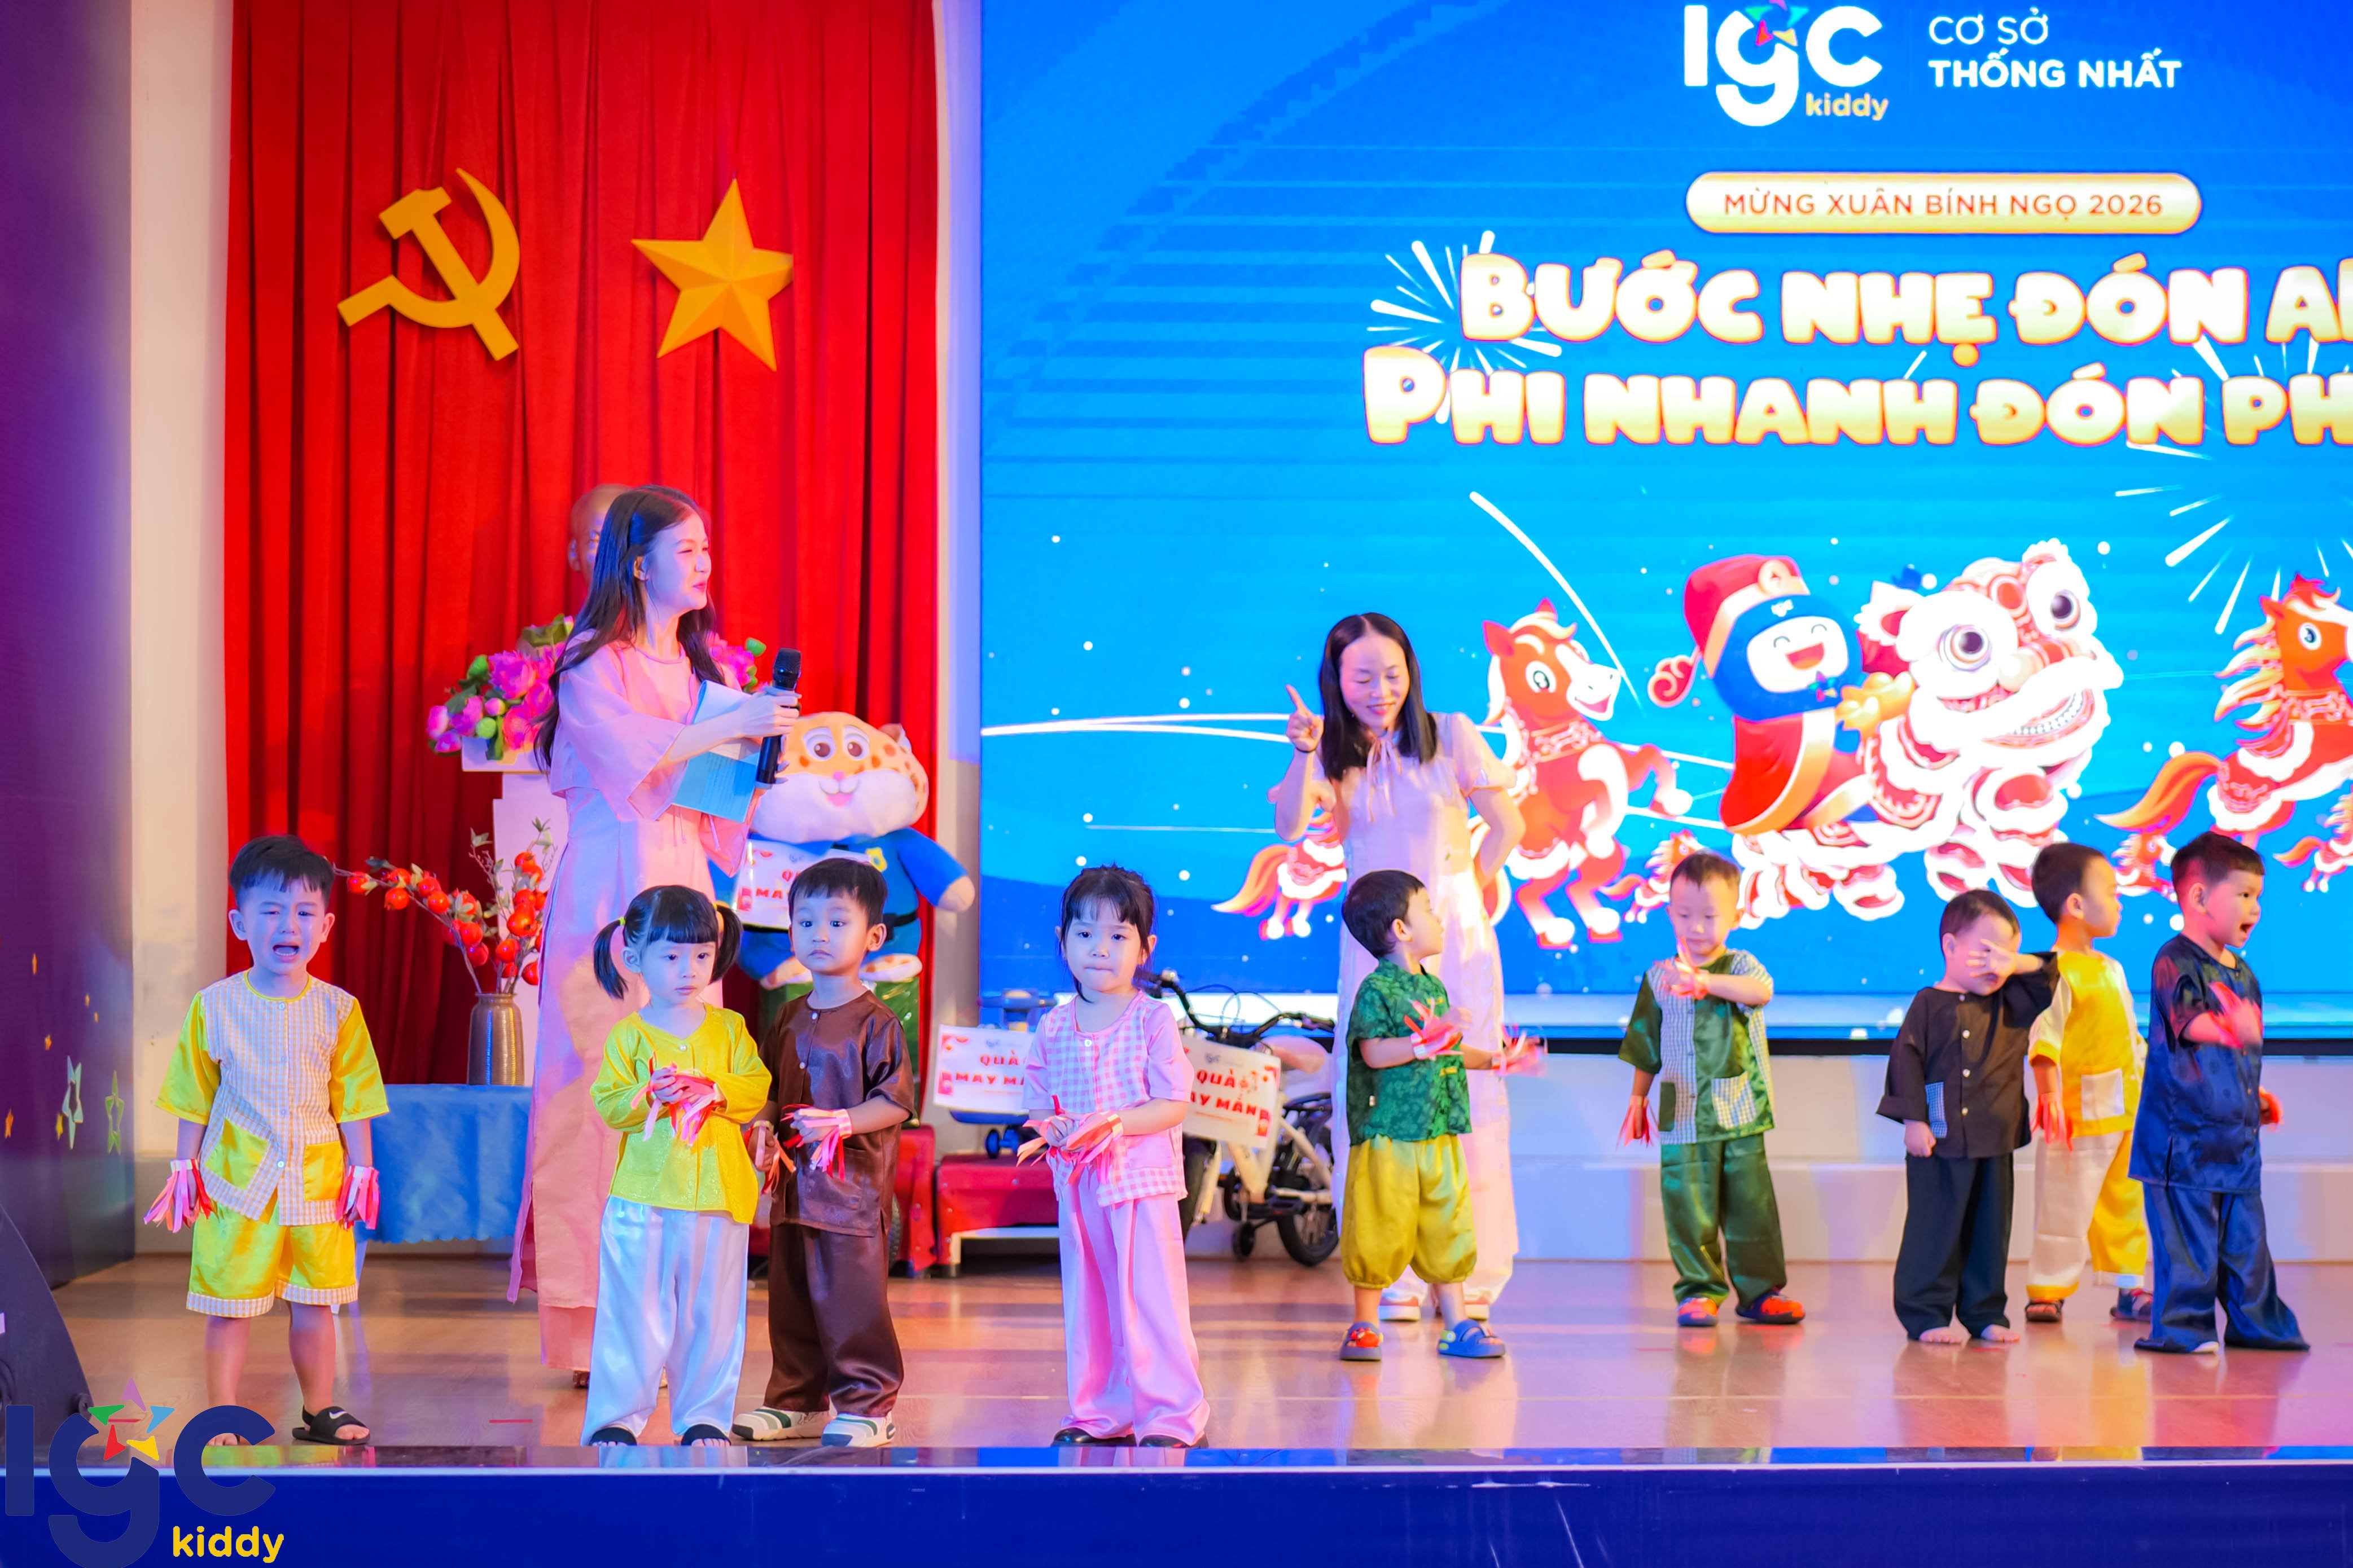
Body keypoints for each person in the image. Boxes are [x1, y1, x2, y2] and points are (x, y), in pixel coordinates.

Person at [510, 485, 799, 1383]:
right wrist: (726, 723)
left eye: (708, 548)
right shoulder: (591, 661)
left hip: (681, 883)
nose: (705, 563)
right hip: (608, 894)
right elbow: (633, 756)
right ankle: (592, 1324)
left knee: (685, 1087)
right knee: (600, 1092)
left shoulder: (704, 675)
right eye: (687, 549)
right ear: (637, 564)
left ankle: (670, 1321)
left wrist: (752, 758)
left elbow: (710, 807)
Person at [1272, 612, 1525, 1325]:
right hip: (1371, 949)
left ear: (1410, 672)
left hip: (1455, 946)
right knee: (1375, 1098)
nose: (1380, 690)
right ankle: (1392, 1276)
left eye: (1392, 674)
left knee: (1465, 1096)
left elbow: (1508, 825)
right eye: (1362, 677)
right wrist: (1301, 753)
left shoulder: (1451, 734)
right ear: (1335, 681)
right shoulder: (1330, 753)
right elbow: (1288, 826)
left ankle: (1468, 1272)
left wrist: (1463, 893)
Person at [148, 834, 388, 1446]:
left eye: (305, 912)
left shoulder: (340, 1010)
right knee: (228, 1305)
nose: (289, 925)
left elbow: (355, 1097)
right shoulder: (214, 1006)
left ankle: (320, 1407)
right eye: (272, 911)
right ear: (240, 923)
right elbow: (193, 1093)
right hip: (234, 1183)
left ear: (325, 926)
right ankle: (222, 1413)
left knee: (316, 1301)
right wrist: (184, 1169)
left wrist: (362, 1172)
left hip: (317, 1183)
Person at [1019, 865, 1208, 1447]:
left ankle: (1174, 1416)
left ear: (1145, 948)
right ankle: (1098, 1413)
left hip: (1141, 1186)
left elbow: (1173, 1103)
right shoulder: (1053, 1025)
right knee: (1090, 1302)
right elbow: (1038, 1103)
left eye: (1117, 935)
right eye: (1084, 933)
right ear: (1063, 941)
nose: (1099, 948)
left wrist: (1117, 1123)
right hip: (1080, 1188)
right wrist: (1051, 1127)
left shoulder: (1152, 1018)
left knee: (1153, 1302)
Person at [734, 858, 914, 1448]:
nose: (819, 933)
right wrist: (761, 1129)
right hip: (792, 1193)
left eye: (837, 922)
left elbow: (894, 1101)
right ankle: (795, 1401)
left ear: (873, 936)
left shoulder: (878, 1022)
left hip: (850, 1197)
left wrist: (842, 1121)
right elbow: (768, 1091)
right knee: (789, 1299)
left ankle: (868, 1404)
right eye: (806, 921)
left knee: (850, 1303)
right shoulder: (787, 1015)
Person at [581, 885, 770, 1446]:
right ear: (633, 957)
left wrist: (714, 1088)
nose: (688, 969)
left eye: (701, 955)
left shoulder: (729, 1028)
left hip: (719, 1194)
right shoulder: (630, 1034)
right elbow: (610, 1103)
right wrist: (650, 1094)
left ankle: (704, 1415)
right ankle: (616, 1418)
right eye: (670, 955)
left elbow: (755, 1086)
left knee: (712, 1313)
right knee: (632, 1311)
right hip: (642, 1198)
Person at [2132, 832, 2307, 1355]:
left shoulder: (2243, 973)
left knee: (2246, 1247)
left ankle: (2259, 1325)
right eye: (2244, 894)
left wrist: (2253, 1093)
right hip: (2181, 1142)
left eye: (2258, 896)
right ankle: (2184, 1329)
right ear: (2199, 897)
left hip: (2234, 1140)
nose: (2255, 907)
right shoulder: (2174, 959)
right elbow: (2191, 1024)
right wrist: (2232, 1029)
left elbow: (2232, 1054)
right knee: (2189, 1247)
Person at [1617, 850, 1802, 1329]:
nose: (1696, 927)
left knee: (1750, 1206)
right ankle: (1699, 1290)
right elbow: (1644, 1044)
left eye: (1709, 916)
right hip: (1682, 1112)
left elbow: (1761, 992)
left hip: (1739, 1111)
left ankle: (1761, 1291)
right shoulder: (1658, 978)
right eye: (1684, 915)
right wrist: (1637, 1100)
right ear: (1668, 913)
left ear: (1735, 916)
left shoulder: (1741, 966)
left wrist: (1704, 982)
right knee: (1687, 1205)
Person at [1334, 870, 1505, 1363]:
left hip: (1437, 1128)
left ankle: (1456, 1323)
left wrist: (1494, 1059)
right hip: (1388, 1131)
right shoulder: (1376, 990)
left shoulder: (1433, 987)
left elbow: (1446, 1049)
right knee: (1378, 1223)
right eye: (1427, 909)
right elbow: (1373, 1053)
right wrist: (1423, 1042)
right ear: (1401, 929)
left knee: (1446, 1222)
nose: (1438, 918)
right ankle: (1365, 1324)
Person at [1879, 890, 2051, 1343]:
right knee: (1934, 1228)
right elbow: (1906, 1060)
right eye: (1986, 952)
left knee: (1990, 1232)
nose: (1996, 965)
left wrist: (2016, 963)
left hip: (1995, 1137)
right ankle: (1925, 1313)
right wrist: (1914, 1121)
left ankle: (1985, 1311)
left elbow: (2051, 974)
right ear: (1950, 945)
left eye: (2005, 956)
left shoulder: (2011, 1000)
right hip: (1941, 1138)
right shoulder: (1927, 1004)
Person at [2022, 842, 2152, 1325]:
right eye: (2112, 892)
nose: (2120, 901)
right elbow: (2045, 1038)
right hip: (2075, 1119)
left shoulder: (2111, 968)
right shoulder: (2053, 971)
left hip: (2125, 1112)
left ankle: (2129, 1287)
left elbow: (2129, 1036)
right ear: (2076, 904)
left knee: (2125, 1202)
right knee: (2063, 1205)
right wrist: (2049, 1094)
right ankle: (2048, 1288)